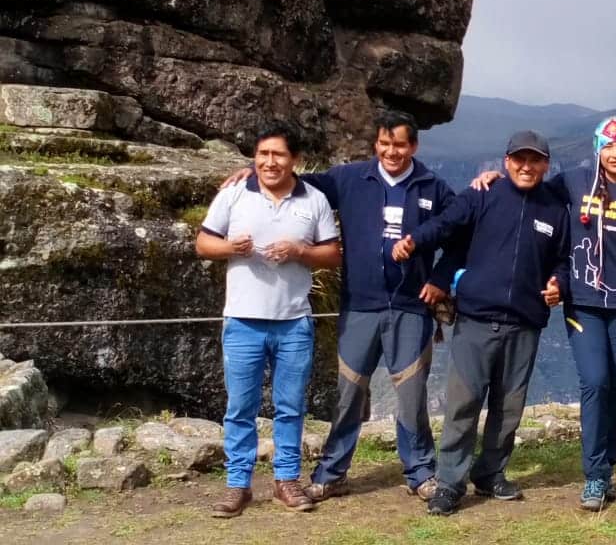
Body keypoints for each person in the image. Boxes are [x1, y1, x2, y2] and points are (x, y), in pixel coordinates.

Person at [220, 110, 464, 503]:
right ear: (375, 144)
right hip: (360, 307)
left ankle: (420, 474)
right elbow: (296, 182)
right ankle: (332, 474)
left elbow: (459, 232)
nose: (391, 152)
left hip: (410, 309)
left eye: (400, 144)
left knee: (412, 396)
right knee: (349, 394)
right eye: (384, 144)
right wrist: (250, 172)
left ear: (413, 146)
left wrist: (439, 279)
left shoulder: (433, 187)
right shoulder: (350, 178)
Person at [470, 116, 616, 511]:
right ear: (597, 149)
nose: (614, 154)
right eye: (607, 147)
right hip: (583, 302)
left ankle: (606, 467)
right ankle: (594, 477)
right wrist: (493, 179)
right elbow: (531, 190)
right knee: (594, 381)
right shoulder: (573, 182)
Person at [392, 130, 571, 516]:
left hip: (524, 323)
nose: (527, 166)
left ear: (545, 165)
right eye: (519, 159)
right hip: (475, 319)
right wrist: (414, 241)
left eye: (535, 160)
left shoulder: (555, 210)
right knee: (463, 404)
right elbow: (445, 225)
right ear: (505, 162)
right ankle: (450, 483)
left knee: (509, 408)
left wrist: (560, 283)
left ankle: (490, 473)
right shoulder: (483, 194)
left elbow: (563, 259)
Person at [197, 122, 341, 518]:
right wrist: (230, 247)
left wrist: (299, 251)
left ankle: (287, 481)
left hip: (294, 320)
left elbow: (332, 253)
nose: (269, 162)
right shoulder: (233, 195)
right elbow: (203, 244)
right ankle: (237, 485)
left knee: (290, 405)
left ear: (294, 159)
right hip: (242, 320)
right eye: (263, 155)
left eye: (278, 155)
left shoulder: (314, 200)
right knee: (239, 407)